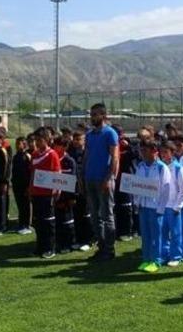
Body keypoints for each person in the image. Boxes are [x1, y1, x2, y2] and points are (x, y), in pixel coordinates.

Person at [83, 103, 120, 262]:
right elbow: (87, 155)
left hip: (104, 180)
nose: (92, 117)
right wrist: (83, 175)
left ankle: (110, 249)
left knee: (107, 215)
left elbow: (115, 157)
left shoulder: (110, 133)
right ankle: (101, 247)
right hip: (90, 179)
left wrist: (107, 178)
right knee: (94, 216)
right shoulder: (90, 134)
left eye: (95, 114)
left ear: (103, 116)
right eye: (91, 114)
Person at [133, 139, 172, 273]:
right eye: (141, 150)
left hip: (156, 208)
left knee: (157, 236)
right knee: (145, 235)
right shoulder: (140, 166)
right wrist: (136, 202)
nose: (142, 153)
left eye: (145, 150)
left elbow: (166, 189)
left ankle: (156, 260)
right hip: (143, 207)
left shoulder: (162, 167)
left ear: (154, 151)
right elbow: (137, 185)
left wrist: (161, 208)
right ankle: (146, 259)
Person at [29, 127, 61, 258]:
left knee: (48, 222)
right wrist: (30, 189)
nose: (37, 142)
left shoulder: (52, 154)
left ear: (46, 140)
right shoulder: (35, 154)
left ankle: (50, 248)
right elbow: (33, 173)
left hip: (47, 194)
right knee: (38, 221)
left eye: (39, 140)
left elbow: (57, 173)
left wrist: (56, 191)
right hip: (36, 193)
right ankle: (40, 246)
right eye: (36, 140)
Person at [160, 141, 183, 267]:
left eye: (166, 152)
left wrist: (178, 205)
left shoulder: (178, 168)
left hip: (173, 206)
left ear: (172, 153)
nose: (163, 155)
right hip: (162, 206)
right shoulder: (160, 167)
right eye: (162, 152)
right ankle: (164, 255)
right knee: (163, 232)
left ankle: (176, 256)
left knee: (175, 232)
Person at [11, 137, 33, 234]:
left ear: (24, 144)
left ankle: (27, 225)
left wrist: (29, 186)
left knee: (26, 206)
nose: (17, 145)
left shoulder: (28, 156)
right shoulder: (15, 157)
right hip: (17, 185)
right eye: (16, 143)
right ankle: (21, 224)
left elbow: (30, 172)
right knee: (20, 205)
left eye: (19, 143)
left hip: (26, 185)